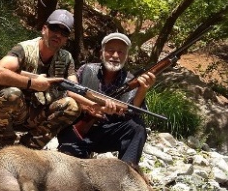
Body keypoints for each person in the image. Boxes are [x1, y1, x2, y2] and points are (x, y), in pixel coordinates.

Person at [0, 9, 82, 152]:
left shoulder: (66, 58)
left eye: (64, 33)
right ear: (44, 29)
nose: (58, 35)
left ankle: (30, 145)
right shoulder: (25, 49)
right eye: (54, 28)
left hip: (40, 112)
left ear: (66, 39)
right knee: (10, 93)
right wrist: (31, 83)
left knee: (73, 105)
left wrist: (95, 105)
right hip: (15, 111)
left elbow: (74, 89)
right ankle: (5, 138)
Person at [56, 32, 156, 169]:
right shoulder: (86, 70)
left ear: (126, 57)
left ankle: (126, 172)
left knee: (137, 127)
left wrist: (143, 89)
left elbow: (133, 112)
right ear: (101, 53)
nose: (115, 55)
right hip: (78, 129)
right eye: (110, 50)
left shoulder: (130, 80)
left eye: (121, 52)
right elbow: (68, 91)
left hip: (106, 134)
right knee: (71, 170)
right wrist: (91, 107)